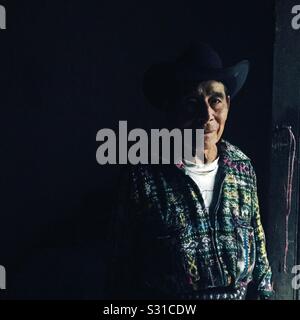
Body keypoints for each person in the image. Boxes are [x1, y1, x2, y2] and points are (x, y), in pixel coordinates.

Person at [106, 43, 273, 300]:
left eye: (215, 100)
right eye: (191, 103)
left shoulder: (242, 168)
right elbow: (121, 276)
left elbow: (260, 262)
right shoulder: (143, 178)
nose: (207, 115)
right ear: (173, 109)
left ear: (227, 103)